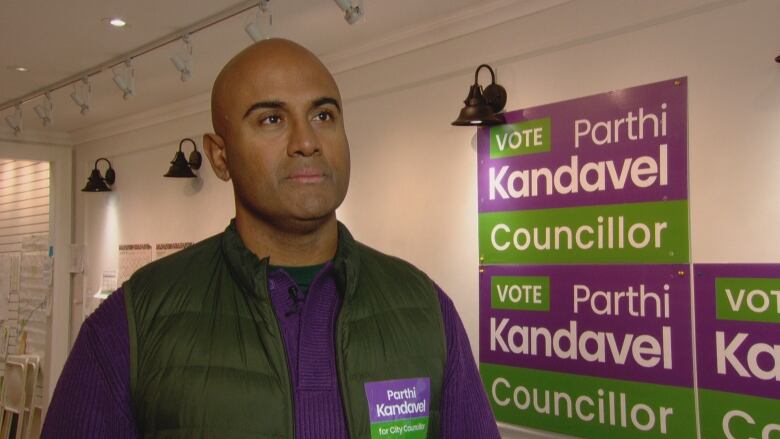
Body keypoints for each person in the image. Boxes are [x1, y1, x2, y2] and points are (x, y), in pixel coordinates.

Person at [42, 39, 499, 438]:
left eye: (323, 115)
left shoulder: (424, 309)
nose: (306, 141)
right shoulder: (132, 324)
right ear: (220, 157)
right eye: (271, 120)